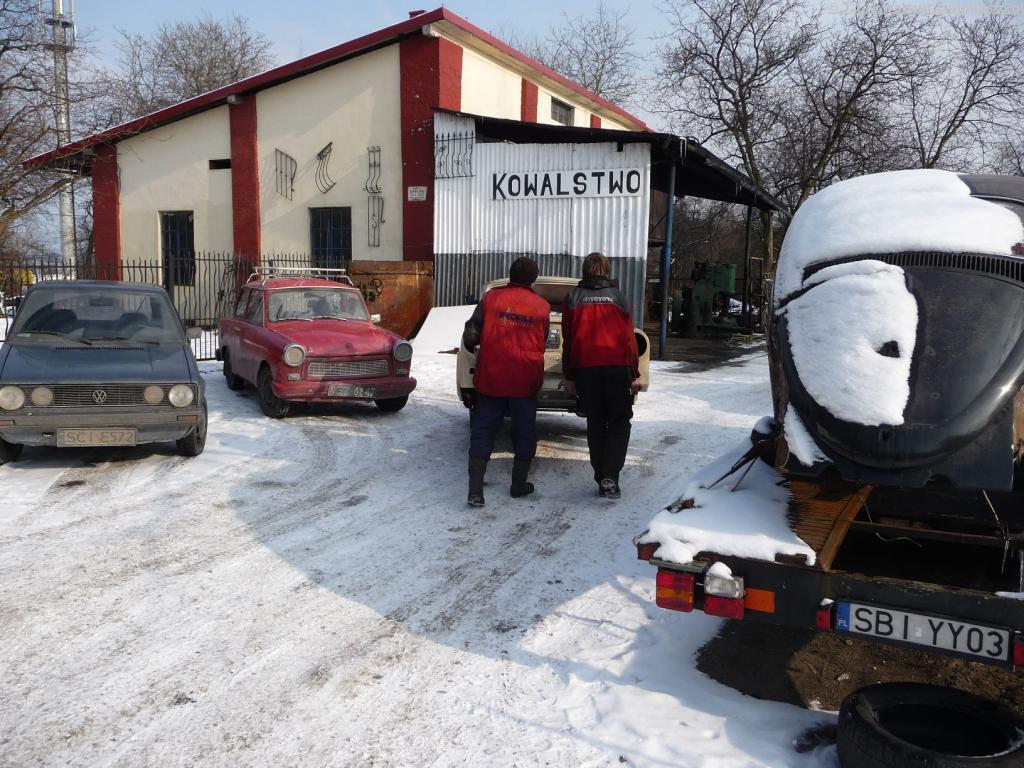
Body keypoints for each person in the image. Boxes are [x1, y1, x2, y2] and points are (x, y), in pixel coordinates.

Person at [462, 257, 551, 507]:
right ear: (533, 279)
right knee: (524, 431)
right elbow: (542, 342)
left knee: (483, 430)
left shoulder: (490, 299)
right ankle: (518, 485)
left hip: (492, 378)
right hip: (524, 380)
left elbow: (470, 336)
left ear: (510, 275)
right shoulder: (542, 307)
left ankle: (475, 491)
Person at [562, 252, 640, 500]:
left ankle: (602, 476)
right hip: (617, 369)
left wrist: (569, 376)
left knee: (595, 423)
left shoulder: (573, 297)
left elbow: (568, 341)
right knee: (619, 422)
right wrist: (634, 373)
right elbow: (629, 339)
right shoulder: (618, 297)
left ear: (584, 270)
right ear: (606, 270)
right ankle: (610, 476)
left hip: (586, 370)